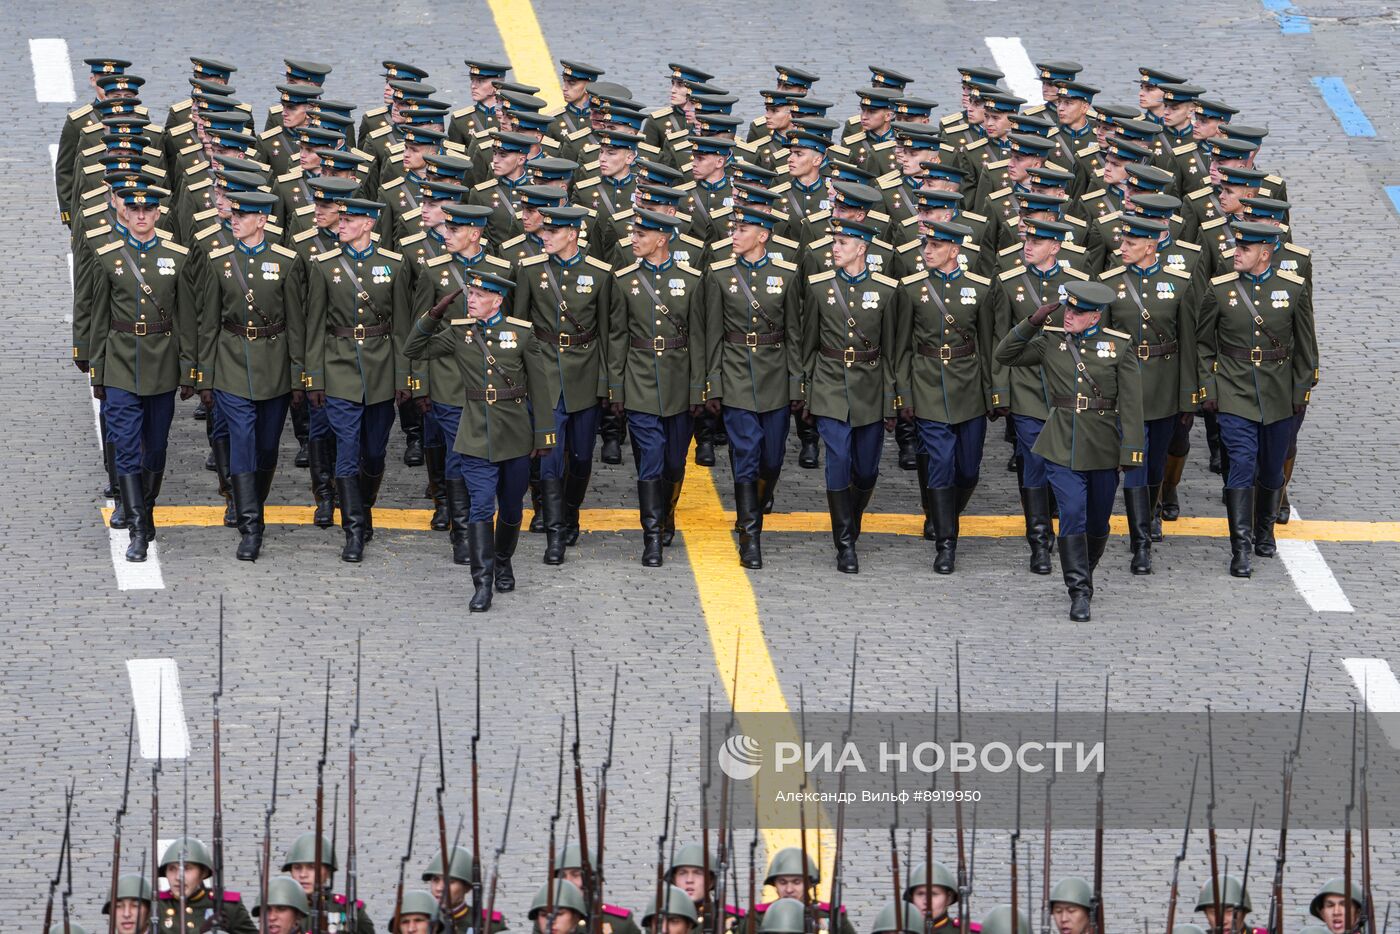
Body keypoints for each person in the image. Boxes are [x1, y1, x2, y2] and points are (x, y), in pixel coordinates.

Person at [407, 269, 556, 611]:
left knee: (512, 506)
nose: (470, 300)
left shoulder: (520, 335)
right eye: (469, 294)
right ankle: (482, 582)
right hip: (474, 433)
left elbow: (540, 386)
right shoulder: (459, 334)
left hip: (515, 434)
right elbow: (413, 348)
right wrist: (434, 314)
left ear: (497, 300)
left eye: (477, 295)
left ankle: (503, 559)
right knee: (481, 506)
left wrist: (544, 433)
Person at [995, 280, 1143, 622]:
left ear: (1095, 316)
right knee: (1072, 512)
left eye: (1077, 311)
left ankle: (1084, 570)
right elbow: (1006, 355)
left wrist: (1133, 450)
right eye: (1068, 308)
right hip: (1061, 442)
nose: (1069, 315)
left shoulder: (1119, 347)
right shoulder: (1051, 342)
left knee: (1098, 521)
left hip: (1103, 445)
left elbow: (1132, 405)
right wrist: (1032, 322)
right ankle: (1079, 591)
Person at [304, 198, 422, 562]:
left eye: (349, 219)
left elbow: (402, 326)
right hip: (339, 365)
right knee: (346, 450)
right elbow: (314, 327)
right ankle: (353, 529)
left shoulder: (394, 265)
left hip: (381, 366)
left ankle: (364, 507)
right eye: (340, 218)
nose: (340, 224)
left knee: (373, 451)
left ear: (368, 225)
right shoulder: (324, 266)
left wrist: (405, 375)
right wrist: (314, 378)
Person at [83, 185, 196, 562]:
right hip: (119, 360)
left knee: (156, 446)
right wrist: (97, 369)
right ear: (124, 213)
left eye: (149, 208)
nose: (142, 214)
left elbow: (186, 319)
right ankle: (136, 527)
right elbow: (98, 317)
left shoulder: (177, 258)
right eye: (135, 208)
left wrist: (188, 367)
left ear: (158, 213)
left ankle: (146, 509)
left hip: (162, 362)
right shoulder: (108, 257)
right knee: (127, 446)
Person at [1196, 221, 1315, 577]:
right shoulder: (1219, 292)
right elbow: (1203, 345)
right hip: (1234, 390)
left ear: (1265, 253)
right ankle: (1240, 547)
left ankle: (1264, 531)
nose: (1236, 253)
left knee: (1272, 468)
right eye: (1237, 246)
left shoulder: (1292, 290)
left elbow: (1306, 348)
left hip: (1278, 391)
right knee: (1241, 465)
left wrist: (1300, 391)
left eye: (1245, 249)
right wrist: (1210, 388)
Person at [196, 189, 302, 560]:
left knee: (268, 446)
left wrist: (300, 375)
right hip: (232, 361)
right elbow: (208, 323)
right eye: (233, 215)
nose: (234, 220)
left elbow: (296, 325)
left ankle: (254, 501)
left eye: (243, 216)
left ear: (263, 220)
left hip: (274, 365)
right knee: (242, 439)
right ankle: (250, 526)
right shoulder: (219, 261)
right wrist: (205, 377)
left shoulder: (286, 262)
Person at [513, 205, 619, 564]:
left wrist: (607, 383)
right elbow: (521, 328)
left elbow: (607, 333)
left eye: (552, 232)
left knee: (582, 456)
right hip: (544, 373)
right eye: (544, 231)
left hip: (584, 374)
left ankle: (571, 512)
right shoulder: (530, 271)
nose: (544, 237)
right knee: (550, 458)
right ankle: (555, 534)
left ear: (572, 234)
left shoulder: (599, 274)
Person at [800, 217, 903, 573]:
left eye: (842, 242)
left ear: (861, 248)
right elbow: (807, 344)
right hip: (830, 383)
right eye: (834, 242)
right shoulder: (818, 287)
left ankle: (852, 517)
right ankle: (844, 542)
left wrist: (892, 400)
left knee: (867, 468)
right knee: (839, 458)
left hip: (870, 386)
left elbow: (893, 351)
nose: (834, 248)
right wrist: (807, 391)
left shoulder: (888, 291)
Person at [1098, 215, 1199, 574]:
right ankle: (1141, 542)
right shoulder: (1110, 284)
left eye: (1129, 243)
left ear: (1150, 247)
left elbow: (1189, 343)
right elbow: (1103, 344)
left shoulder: (1179, 284)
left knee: (1155, 460)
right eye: (1122, 241)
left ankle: (1153, 510)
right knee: (1136, 463)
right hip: (1127, 388)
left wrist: (1189, 396)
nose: (1121, 247)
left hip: (1164, 384)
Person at [704, 207, 803, 567]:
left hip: (775, 376)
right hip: (736, 376)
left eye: (742, 229)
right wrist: (712, 383)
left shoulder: (786, 276)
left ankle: (755, 509)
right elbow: (711, 334)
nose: (734, 234)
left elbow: (794, 334)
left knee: (772, 459)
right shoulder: (719, 275)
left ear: (762, 236)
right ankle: (750, 536)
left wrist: (796, 385)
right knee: (746, 453)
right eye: (734, 228)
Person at [896, 221, 996, 572]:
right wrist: (905, 394)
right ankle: (946, 543)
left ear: (954, 250)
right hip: (927, 384)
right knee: (940, 461)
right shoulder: (911, 290)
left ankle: (945, 513)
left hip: (968, 387)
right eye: (926, 245)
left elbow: (987, 345)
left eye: (935, 247)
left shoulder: (980, 289)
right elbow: (902, 347)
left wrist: (993, 393)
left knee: (968, 469)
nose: (926, 251)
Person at [608, 209, 705, 566]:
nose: (633, 239)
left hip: (679, 381)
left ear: (662, 240)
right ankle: (651, 536)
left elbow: (699, 339)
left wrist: (699, 390)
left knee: (674, 463)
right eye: (634, 233)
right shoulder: (623, 281)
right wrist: (616, 389)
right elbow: (617, 336)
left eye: (641, 235)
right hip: (640, 379)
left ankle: (667, 513)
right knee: (650, 462)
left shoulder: (692, 281)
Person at [155, 837, 257, 934]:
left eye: (187, 868)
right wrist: (201, 931)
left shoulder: (228, 906)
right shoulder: (157, 905)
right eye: (172, 869)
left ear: (203, 873)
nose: (178, 877)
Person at [278, 831, 373, 934]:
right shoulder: (277, 909)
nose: (303, 875)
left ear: (327, 872)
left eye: (312, 867)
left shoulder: (348, 909)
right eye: (297, 868)